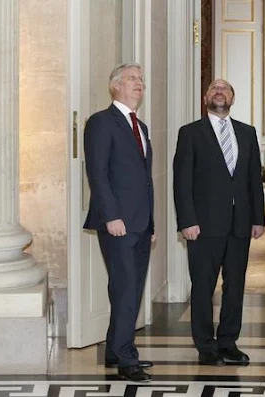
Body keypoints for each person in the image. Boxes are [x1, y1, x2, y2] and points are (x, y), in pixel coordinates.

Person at [173, 79, 265, 366]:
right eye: (214, 88)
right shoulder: (190, 133)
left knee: (235, 286)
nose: (219, 92)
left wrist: (258, 218)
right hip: (203, 226)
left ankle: (228, 342)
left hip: (240, 224)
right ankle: (205, 345)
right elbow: (182, 181)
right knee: (203, 286)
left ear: (233, 98)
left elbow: (253, 179)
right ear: (205, 97)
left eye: (225, 89)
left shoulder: (247, 133)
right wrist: (187, 220)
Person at [83, 62, 154, 382]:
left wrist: (150, 224)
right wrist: (111, 215)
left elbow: (144, 180)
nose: (139, 83)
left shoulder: (141, 126)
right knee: (126, 288)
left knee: (130, 287)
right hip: (117, 222)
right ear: (115, 86)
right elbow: (97, 173)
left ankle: (114, 349)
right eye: (132, 79)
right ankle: (127, 358)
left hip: (140, 223)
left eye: (141, 79)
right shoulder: (101, 122)